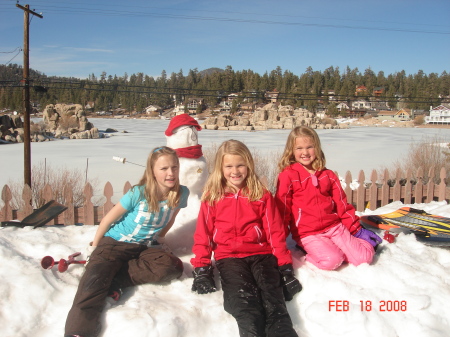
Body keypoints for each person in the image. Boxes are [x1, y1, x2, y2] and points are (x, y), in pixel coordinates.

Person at [65, 146, 189, 337]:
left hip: (143, 247)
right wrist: (94, 247)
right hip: (114, 243)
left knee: (172, 267)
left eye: (174, 167)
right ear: (152, 171)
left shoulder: (181, 193)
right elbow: (108, 219)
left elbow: (170, 218)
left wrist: (161, 239)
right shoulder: (139, 193)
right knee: (92, 284)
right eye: (163, 169)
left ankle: (112, 278)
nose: (170, 173)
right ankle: (78, 331)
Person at [191, 139, 301, 337]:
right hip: (229, 258)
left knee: (274, 305)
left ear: (249, 165)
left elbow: (275, 232)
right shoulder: (213, 197)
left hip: (262, 255)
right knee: (245, 307)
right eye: (229, 166)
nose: (235, 171)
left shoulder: (261, 195)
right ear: (220, 167)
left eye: (240, 165)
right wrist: (202, 268)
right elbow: (204, 234)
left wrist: (285, 268)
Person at [275, 126, 382, 271]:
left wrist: (356, 229)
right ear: (291, 151)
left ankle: (366, 243)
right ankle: (309, 253)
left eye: (309, 147)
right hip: (307, 233)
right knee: (332, 260)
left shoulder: (328, 175)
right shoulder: (288, 176)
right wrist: (279, 239)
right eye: (299, 148)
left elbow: (342, 205)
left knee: (363, 258)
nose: (305, 152)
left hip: (335, 228)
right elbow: (282, 209)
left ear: (317, 148)